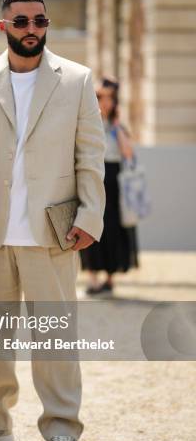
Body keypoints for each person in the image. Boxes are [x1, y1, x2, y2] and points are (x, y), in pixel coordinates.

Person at [0, 0, 106, 441]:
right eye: (21, 21)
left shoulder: (75, 80)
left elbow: (90, 154)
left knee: (54, 336)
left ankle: (62, 429)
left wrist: (90, 216)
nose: (31, 28)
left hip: (53, 230)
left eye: (39, 20)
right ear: (3, 27)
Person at [80, 78, 139, 295]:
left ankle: (110, 278)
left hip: (113, 180)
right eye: (100, 98)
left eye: (109, 99)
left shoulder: (117, 127)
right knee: (89, 223)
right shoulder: (87, 121)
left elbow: (128, 153)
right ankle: (93, 277)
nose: (105, 103)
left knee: (112, 228)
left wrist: (117, 124)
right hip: (93, 177)